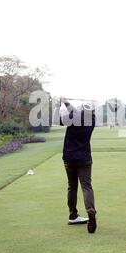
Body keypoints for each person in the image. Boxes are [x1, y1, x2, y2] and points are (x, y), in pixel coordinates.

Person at [53, 97, 97, 233]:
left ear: (83, 107)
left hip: (69, 158)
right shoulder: (92, 120)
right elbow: (77, 112)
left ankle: (73, 215)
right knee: (86, 186)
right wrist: (66, 103)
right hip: (84, 159)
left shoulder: (74, 116)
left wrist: (57, 105)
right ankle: (91, 211)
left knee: (72, 186)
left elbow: (57, 121)